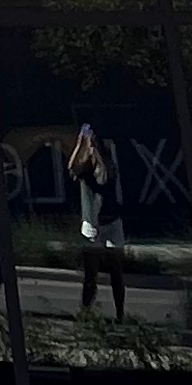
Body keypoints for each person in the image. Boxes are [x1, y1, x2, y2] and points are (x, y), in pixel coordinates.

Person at [69, 121, 127, 319]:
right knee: (90, 275)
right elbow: (72, 167)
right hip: (92, 225)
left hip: (111, 222)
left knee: (116, 272)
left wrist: (96, 151)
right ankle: (85, 312)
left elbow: (105, 174)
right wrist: (80, 144)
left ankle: (120, 313)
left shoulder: (108, 166)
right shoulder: (85, 172)